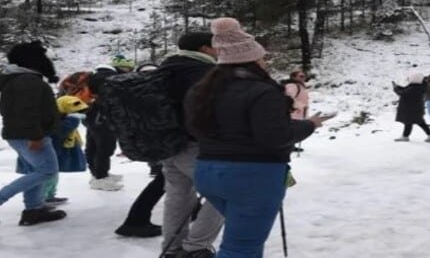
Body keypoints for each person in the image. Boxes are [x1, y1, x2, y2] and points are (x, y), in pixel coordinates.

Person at [185, 17, 325, 258]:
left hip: (208, 172)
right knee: (241, 247)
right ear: (251, 59)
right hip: (252, 177)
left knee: (244, 239)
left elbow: (194, 127)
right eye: (262, 57)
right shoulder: (262, 90)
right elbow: (275, 137)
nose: (265, 61)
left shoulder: (203, 88)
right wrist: (309, 125)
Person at [0, 41, 66, 228]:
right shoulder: (27, 80)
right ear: (33, 60)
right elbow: (27, 111)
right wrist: (36, 136)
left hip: (20, 133)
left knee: (35, 171)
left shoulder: (21, 78)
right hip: (30, 134)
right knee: (47, 170)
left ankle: (33, 210)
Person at [157, 32, 225, 256]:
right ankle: (196, 247)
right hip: (195, 145)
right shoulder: (203, 73)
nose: (219, 50)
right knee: (225, 194)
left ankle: (172, 248)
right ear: (205, 49)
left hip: (168, 143)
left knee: (178, 196)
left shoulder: (166, 68)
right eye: (216, 46)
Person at [114, 62, 168, 238]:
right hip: (170, 142)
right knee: (168, 180)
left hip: (157, 142)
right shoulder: (159, 89)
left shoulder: (133, 91)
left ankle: (136, 219)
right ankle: (136, 220)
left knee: (169, 180)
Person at [16, 95, 89, 205]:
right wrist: (72, 120)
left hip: (53, 150)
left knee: (52, 176)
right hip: (43, 150)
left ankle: (49, 196)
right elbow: (59, 132)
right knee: (45, 176)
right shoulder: (52, 118)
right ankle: (40, 199)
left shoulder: (59, 116)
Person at [85, 55, 135, 191]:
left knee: (93, 145)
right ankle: (100, 177)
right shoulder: (108, 78)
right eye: (127, 68)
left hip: (93, 116)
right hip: (102, 118)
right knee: (105, 147)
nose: (129, 71)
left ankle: (98, 174)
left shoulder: (98, 75)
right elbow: (111, 99)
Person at [394, 73, 430, 142]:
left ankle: (406, 137)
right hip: (416, 108)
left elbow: (403, 93)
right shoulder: (419, 86)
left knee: (410, 122)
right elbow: (405, 90)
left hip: (411, 108)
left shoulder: (414, 88)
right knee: (417, 122)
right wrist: (398, 87)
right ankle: (429, 135)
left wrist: (396, 89)